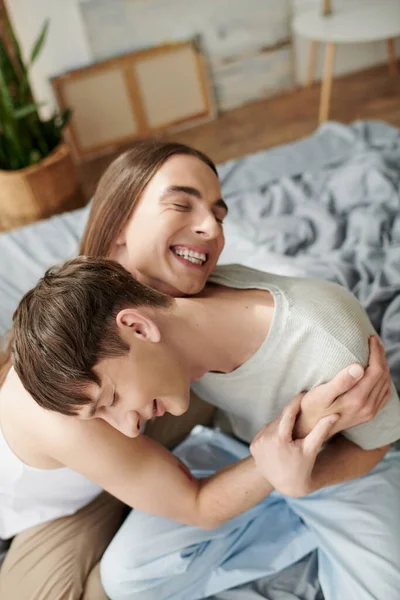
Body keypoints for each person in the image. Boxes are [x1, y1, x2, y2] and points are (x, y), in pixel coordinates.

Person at [0, 139, 395, 600]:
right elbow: (196, 504)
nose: (211, 228)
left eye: (220, 214)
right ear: (120, 221)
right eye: (180, 204)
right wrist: (290, 445)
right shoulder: (75, 377)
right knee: (109, 584)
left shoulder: (166, 300)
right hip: (58, 498)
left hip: (230, 460)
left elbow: (287, 318)